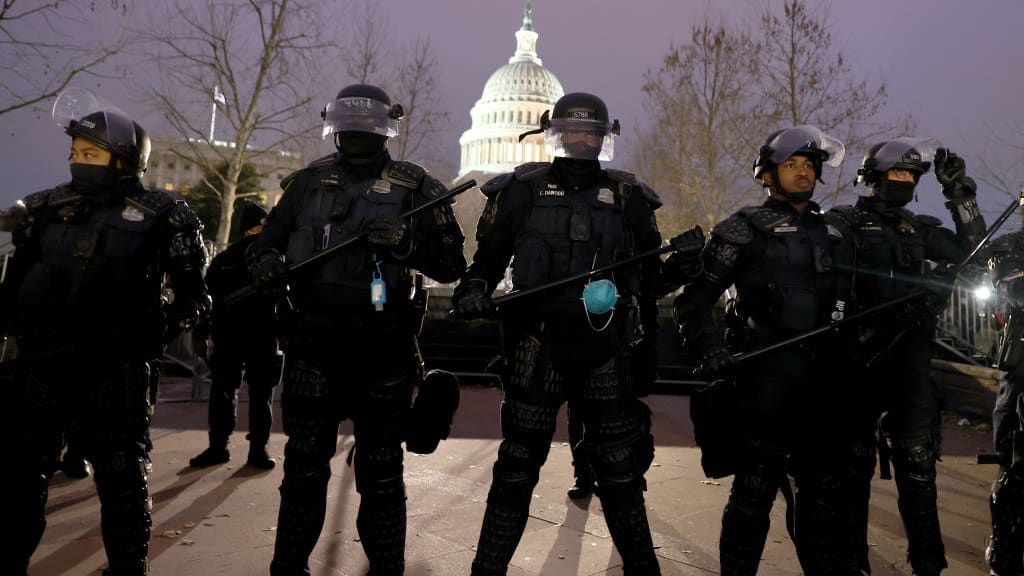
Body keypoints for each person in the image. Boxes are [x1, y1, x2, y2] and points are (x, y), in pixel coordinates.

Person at [452, 92, 703, 576]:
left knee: (620, 472)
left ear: (604, 138)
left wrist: (686, 262)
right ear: (557, 135)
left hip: (604, 348)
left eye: (591, 132)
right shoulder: (519, 190)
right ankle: (487, 570)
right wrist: (473, 291)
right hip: (536, 345)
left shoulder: (630, 197)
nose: (582, 140)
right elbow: (485, 263)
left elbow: (650, 282)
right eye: (573, 131)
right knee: (516, 468)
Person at [248, 83, 466, 576]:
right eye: (350, 124)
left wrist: (407, 246)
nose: (357, 133)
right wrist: (263, 261)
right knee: (303, 469)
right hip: (313, 344)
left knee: (382, 473)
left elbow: (454, 263)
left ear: (385, 127)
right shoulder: (306, 184)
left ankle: (387, 567)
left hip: (383, 349)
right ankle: (288, 566)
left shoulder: (417, 187)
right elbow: (268, 241)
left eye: (368, 124)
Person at [2, 104, 209, 575]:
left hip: (116, 372)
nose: (77, 159)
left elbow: (196, 296)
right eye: (74, 150)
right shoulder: (43, 209)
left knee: (122, 484)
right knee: (20, 480)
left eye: (90, 151)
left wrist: (161, 328)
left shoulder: (166, 215)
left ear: (123, 158)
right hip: (44, 366)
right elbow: (13, 287)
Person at [677, 125, 859, 574]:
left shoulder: (836, 232)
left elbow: (852, 300)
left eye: (809, 166)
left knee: (821, 501)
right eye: (792, 165)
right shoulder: (742, 229)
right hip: (764, 382)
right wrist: (711, 348)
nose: (803, 173)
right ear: (767, 174)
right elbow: (694, 301)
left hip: (822, 384)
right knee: (753, 495)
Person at [827, 140, 986, 576]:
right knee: (853, 471)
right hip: (858, 362)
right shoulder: (841, 224)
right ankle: (852, 563)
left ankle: (929, 564)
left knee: (918, 470)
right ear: (874, 177)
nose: (905, 182)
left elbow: (974, 251)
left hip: (911, 363)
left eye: (910, 177)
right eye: (897, 174)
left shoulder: (916, 228)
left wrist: (960, 195)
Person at [189, 203, 282, 470]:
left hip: (228, 335)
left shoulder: (223, 260)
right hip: (263, 336)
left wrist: (200, 334)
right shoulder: (273, 257)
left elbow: (205, 302)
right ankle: (258, 451)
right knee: (261, 395)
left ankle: (218, 447)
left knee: (223, 393)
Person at [980, 229, 1024, 575]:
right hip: (1023, 372)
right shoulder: (1012, 244)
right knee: (1014, 463)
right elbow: (1010, 284)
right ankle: (1005, 552)